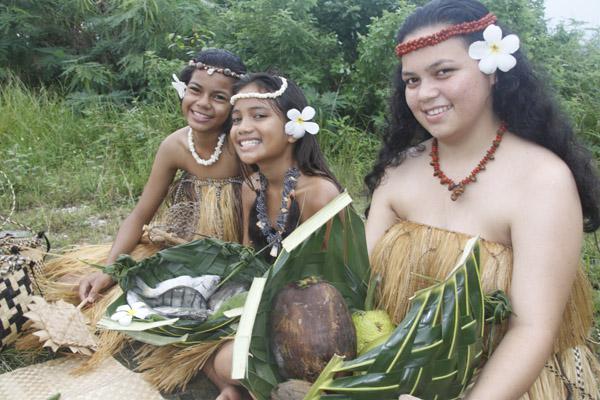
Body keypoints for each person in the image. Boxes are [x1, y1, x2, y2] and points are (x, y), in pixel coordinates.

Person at [364, 0, 600, 399]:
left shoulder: (543, 181)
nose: (425, 93)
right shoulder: (399, 171)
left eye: (443, 72)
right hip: (396, 380)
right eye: (412, 80)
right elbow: (360, 287)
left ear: (492, 71)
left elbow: (532, 329)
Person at [23, 48, 248, 391]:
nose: (203, 103)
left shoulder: (242, 148)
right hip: (177, 250)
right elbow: (141, 214)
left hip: (228, 260)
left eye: (219, 97)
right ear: (182, 91)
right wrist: (109, 268)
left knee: (193, 319)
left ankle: (213, 370)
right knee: (87, 288)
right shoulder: (174, 145)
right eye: (195, 90)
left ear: (234, 106)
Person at [203, 73, 341, 400]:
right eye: (237, 119)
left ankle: (245, 385)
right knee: (203, 347)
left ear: (293, 129)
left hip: (314, 331)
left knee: (233, 363)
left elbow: (339, 284)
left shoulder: (318, 194)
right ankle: (235, 387)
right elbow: (247, 266)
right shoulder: (250, 191)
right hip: (262, 314)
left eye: (259, 115)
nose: (243, 127)